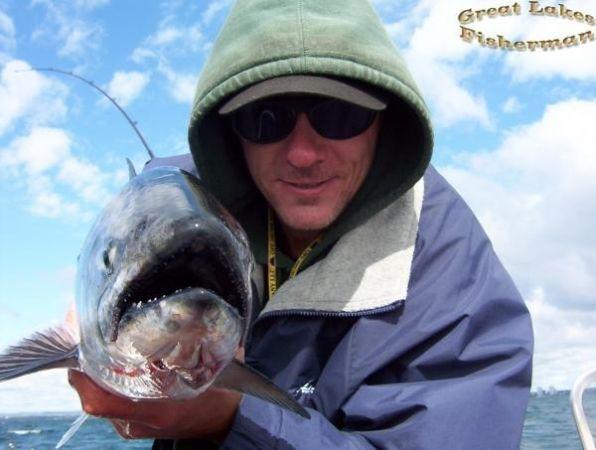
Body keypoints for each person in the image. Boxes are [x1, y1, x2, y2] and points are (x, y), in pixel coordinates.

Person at [69, 0, 534, 448]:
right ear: (230, 136)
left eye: (341, 115)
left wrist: (230, 417)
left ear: (385, 123)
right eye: (264, 119)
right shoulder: (170, 209)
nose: (303, 155)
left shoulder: (454, 275)